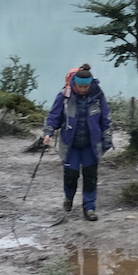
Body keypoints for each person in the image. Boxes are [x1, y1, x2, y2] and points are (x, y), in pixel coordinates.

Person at [42, 63, 111, 220]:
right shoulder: (65, 96)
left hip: (91, 145)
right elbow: (54, 116)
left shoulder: (98, 96)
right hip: (70, 145)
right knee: (70, 175)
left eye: (84, 87)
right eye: (79, 86)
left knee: (90, 177)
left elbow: (106, 118)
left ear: (90, 85)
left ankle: (89, 208)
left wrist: (107, 137)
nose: (81, 89)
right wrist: (48, 132)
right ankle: (69, 198)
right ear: (74, 83)